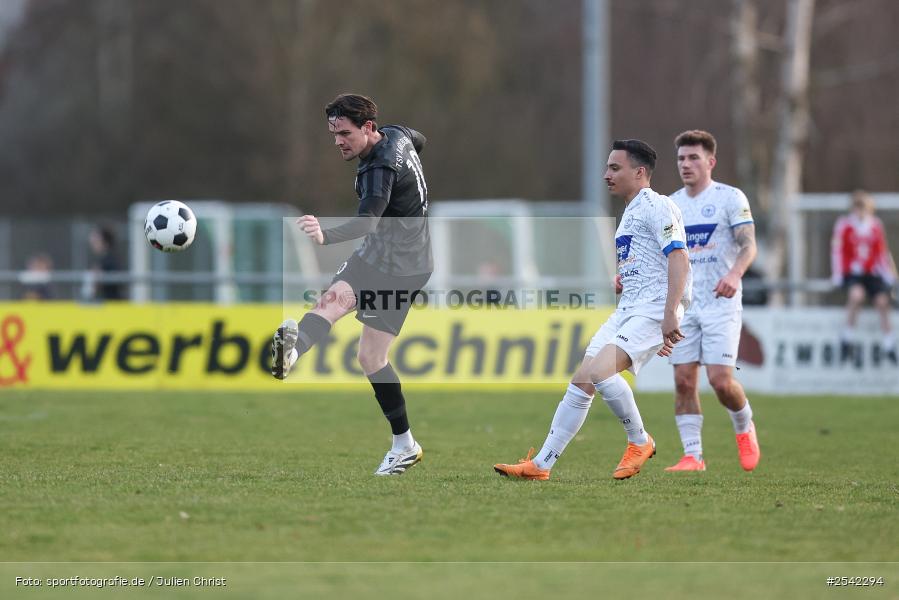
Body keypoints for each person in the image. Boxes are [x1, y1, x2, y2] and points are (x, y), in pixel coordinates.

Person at [493, 139, 691, 480]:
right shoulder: (631, 210)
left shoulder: (657, 205)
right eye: (607, 167)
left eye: (615, 168)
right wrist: (624, 277)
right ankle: (541, 465)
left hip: (653, 307)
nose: (606, 175)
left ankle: (639, 441)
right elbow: (650, 259)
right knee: (583, 379)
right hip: (630, 307)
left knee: (601, 372)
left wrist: (671, 312)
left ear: (640, 172)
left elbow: (679, 256)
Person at [271, 93, 432, 476]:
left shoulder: (378, 172)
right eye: (333, 134)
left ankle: (404, 445)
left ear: (368, 128)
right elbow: (419, 140)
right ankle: (290, 356)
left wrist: (325, 236)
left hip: (402, 268)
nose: (338, 141)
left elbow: (366, 223)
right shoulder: (398, 135)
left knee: (371, 358)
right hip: (378, 255)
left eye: (344, 133)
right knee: (329, 302)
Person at [665, 130, 760, 473]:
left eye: (693, 158)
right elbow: (660, 253)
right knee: (683, 381)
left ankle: (744, 426)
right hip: (685, 305)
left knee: (721, 381)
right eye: (680, 159)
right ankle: (693, 456)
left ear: (711, 161)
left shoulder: (730, 198)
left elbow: (749, 245)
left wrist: (735, 274)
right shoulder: (671, 205)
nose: (685, 164)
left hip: (721, 304)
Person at [831, 190, 898, 362]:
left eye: (864, 208)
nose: (860, 212)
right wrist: (838, 273)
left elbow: (882, 253)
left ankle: (889, 343)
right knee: (857, 296)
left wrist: (889, 274)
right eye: (857, 208)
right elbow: (837, 251)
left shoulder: (876, 225)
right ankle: (847, 337)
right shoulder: (844, 225)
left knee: (883, 302)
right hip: (853, 273)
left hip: (872, 274)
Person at [87, 226, 124, 300]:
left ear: (105, 242)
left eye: (96, 241)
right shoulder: (105, 259)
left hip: (111, 303)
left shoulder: (110, 261)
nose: (93, 245)